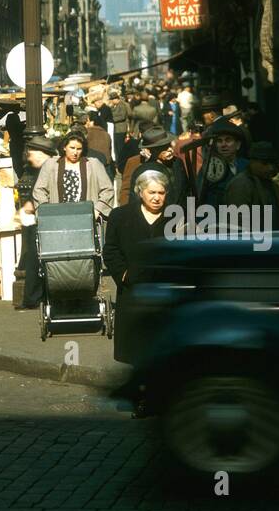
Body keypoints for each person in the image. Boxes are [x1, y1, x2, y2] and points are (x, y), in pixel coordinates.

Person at [102, 170, 170, 364]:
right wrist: (123, 274)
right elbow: (111, 250)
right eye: (152, 192)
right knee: (135, 349)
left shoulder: (176, 217)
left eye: (161, 193)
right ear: (140, 192)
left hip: (163, 291)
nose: (157, 198)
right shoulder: (120, 216)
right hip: (132, 289)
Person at [15, 133, 58, 308]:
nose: (29, 157)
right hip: (41, 219)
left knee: (35, 257)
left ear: (41, 153)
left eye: (31, 152)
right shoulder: (44, 169)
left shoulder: (47, 169)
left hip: (44, 220)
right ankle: (35, 296)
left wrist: (29, 206)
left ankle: (33, 297)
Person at [32, 130, 113, 222]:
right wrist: (47, 211)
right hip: (58, 218)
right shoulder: (51, 164)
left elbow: (107, 190)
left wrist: (97, 210)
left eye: (79, 149)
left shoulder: (94, 164)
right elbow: (39, 190)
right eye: (72, 148)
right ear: (64, 147)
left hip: (86, 218)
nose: (75, 152)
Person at [225, 142, 279, 232]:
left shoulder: (271, 184)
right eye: (264, 163)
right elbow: (237, 224)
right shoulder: (241, 184)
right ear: (252, 162)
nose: (270, 168)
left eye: (272, 164)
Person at [126, 126, 189, 208]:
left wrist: (190, 217)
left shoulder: (177, 163)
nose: (170, 149)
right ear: (152, 150)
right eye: (164, 147)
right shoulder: (143, 171)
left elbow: (187, 191)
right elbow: (134, 201)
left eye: (169, 145)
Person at [195, 120, 249, 208]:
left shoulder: (247, 166)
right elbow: (198, 199)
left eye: (228, 140)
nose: (223, 145)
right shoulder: (209, 167)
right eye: (219, 141)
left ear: (238, 145)